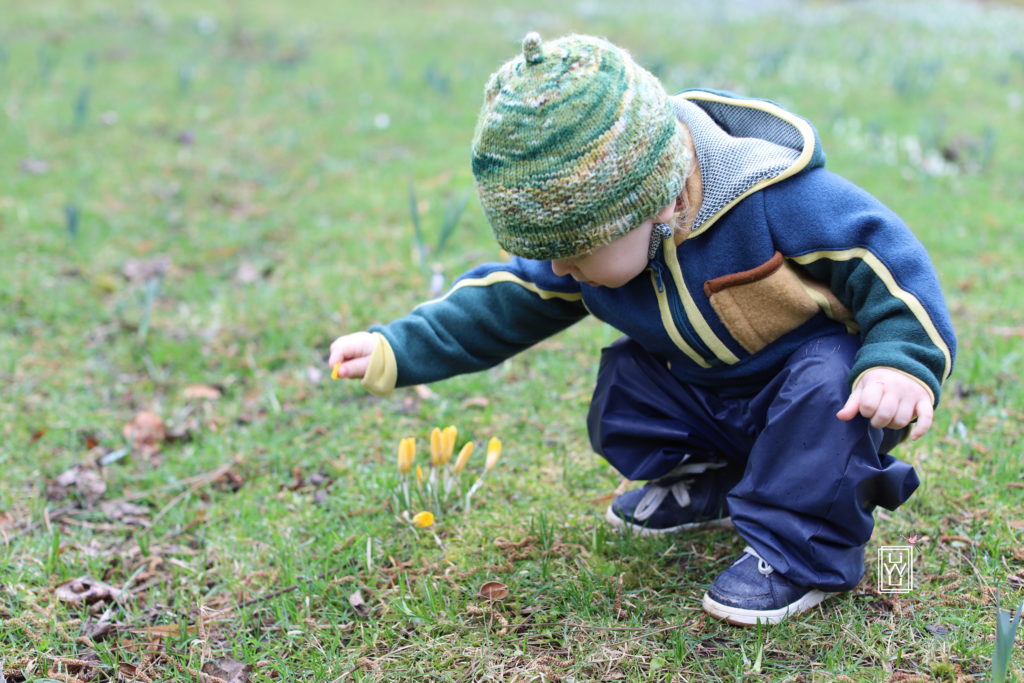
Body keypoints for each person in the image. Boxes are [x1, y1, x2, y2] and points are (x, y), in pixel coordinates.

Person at [327, 33, 956, 626]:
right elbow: (505, 301)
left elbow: (888, 266)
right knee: (627, 383)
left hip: (815, 403)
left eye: (572, 250)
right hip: (714, 393)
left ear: (655, 204)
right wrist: (395, 349)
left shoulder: (773, 199)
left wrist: (899, 363)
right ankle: (718, 480)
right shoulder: (589, 248)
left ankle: (799, 554)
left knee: (824, 384)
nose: (558, 267)